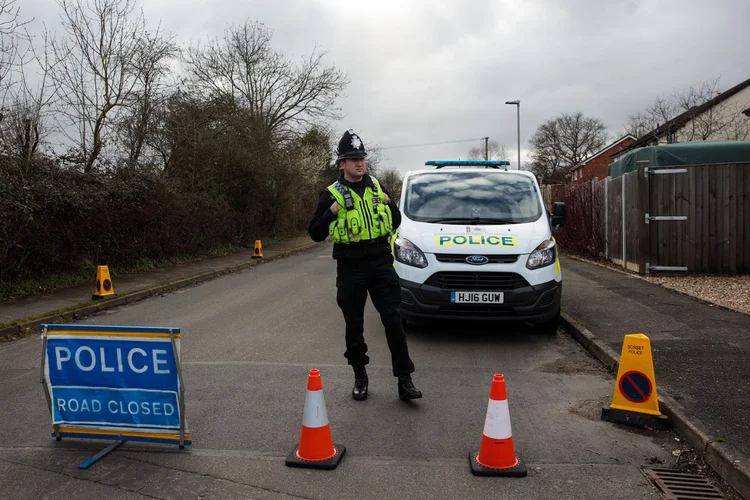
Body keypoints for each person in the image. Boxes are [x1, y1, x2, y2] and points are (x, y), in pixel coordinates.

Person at [308, 129, 422, 402]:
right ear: (342, 164)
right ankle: (360, 377)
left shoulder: (377, 187)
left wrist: (389, 202)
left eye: (362, 158)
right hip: (351, 266)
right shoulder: (331, 194)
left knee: (393, 319)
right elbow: (314, 233)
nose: (360, 163)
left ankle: (404, 380)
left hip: (381, 262)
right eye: (353, 159)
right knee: (354, 325)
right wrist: (330, 212)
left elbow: (395, 221)